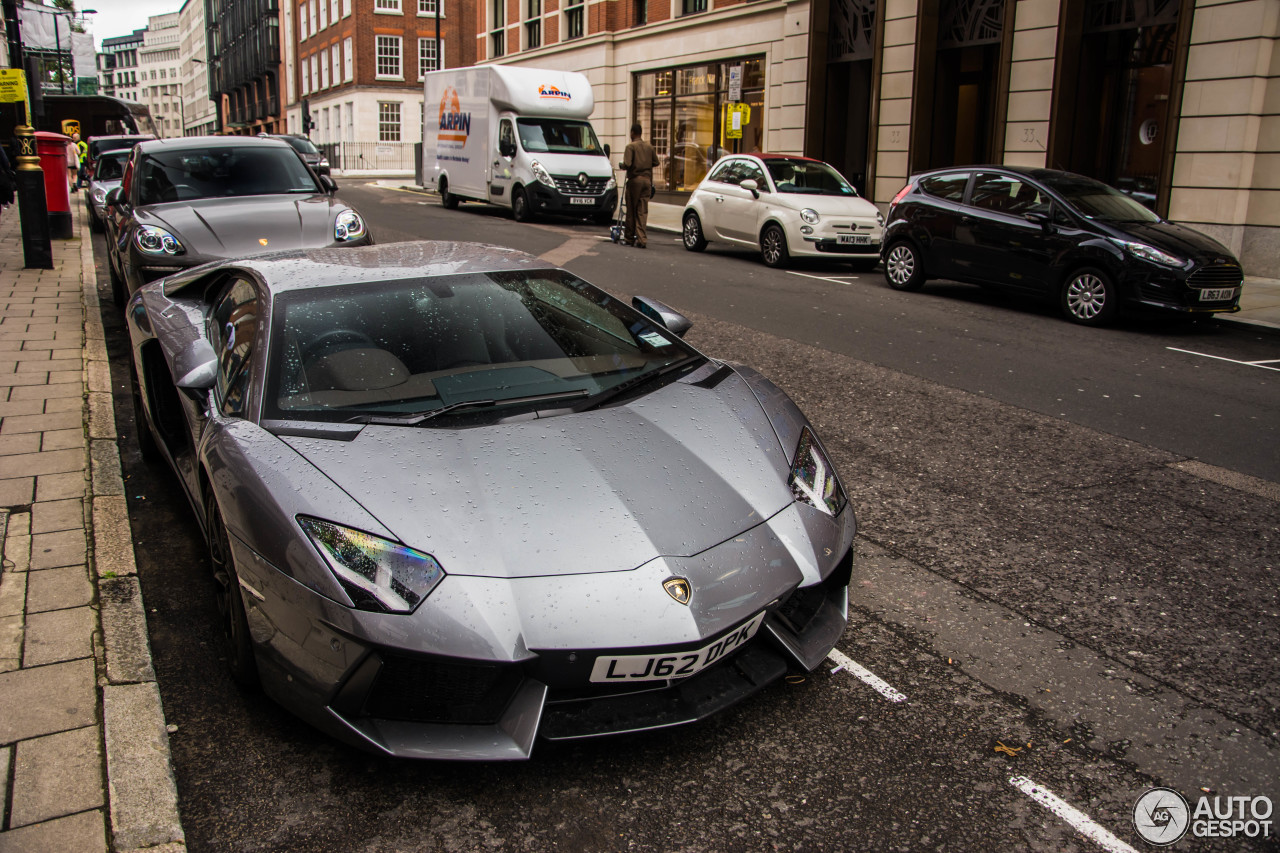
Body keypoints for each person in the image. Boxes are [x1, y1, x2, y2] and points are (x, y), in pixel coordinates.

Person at [621, 122, 659, 249]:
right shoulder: (649, 147)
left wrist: (622, 165)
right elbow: (656, 162)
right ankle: (642, 239)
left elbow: (627, 163)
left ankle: (629, 238)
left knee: (631, 210)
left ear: (632, 133)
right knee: (642, 211)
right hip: (647, 181)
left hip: (635, 181)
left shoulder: (630, 147)